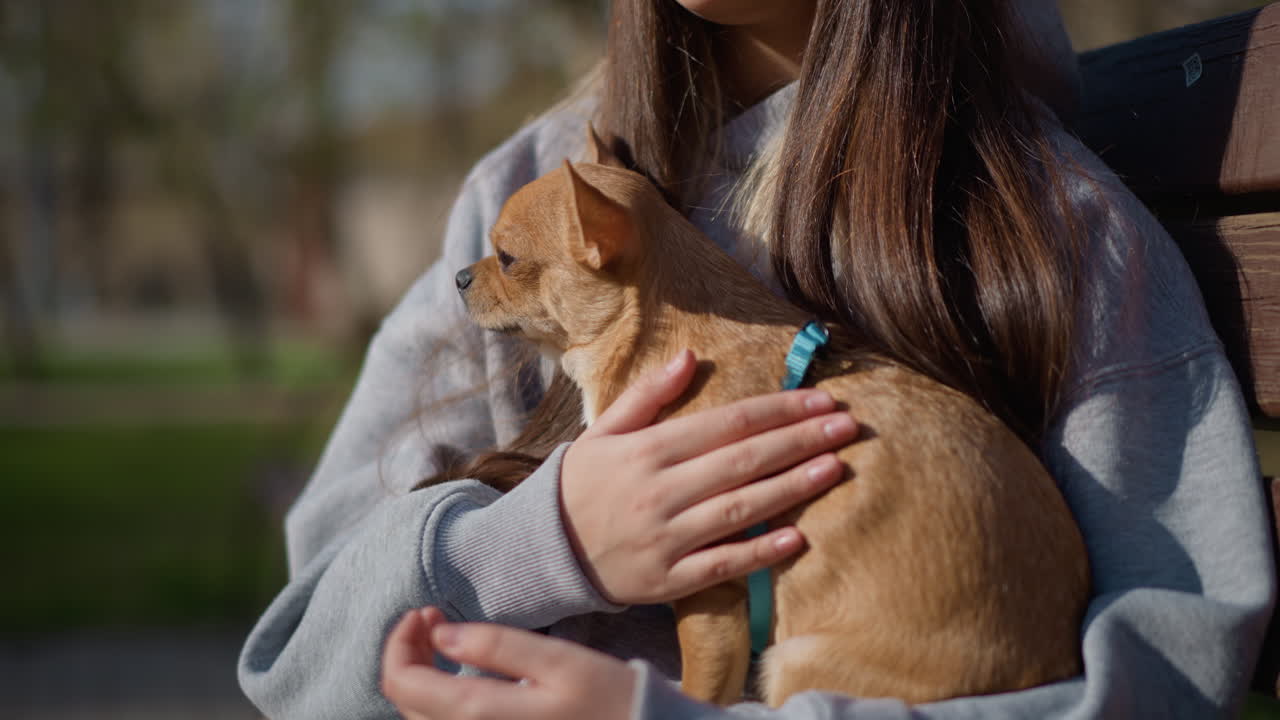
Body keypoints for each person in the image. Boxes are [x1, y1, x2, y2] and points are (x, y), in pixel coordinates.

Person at [238, 0, 1276, 718]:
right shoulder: (522, 197)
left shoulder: (1046, 230)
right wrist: (540, 540)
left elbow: (1171, 665)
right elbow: (303, 663)